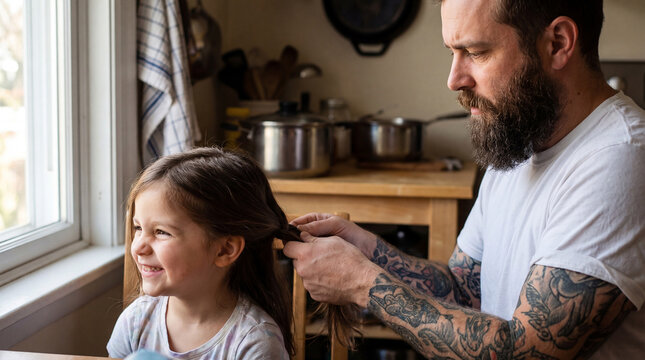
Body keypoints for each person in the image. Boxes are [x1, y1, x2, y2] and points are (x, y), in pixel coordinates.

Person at [283, 0, 645, 358]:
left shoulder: (621, 157)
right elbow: (463, 290)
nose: (454, 79)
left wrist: (362, 283)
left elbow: (525, 353)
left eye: (476, 51)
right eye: (453, 53)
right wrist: (368, 253)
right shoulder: (519, 137)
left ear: (558, 43)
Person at [107, 147, 299, 359]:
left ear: (225, 250)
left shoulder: (254, 342)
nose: (138, 247)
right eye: (138, 228)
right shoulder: (136, 321)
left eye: (161, 232)